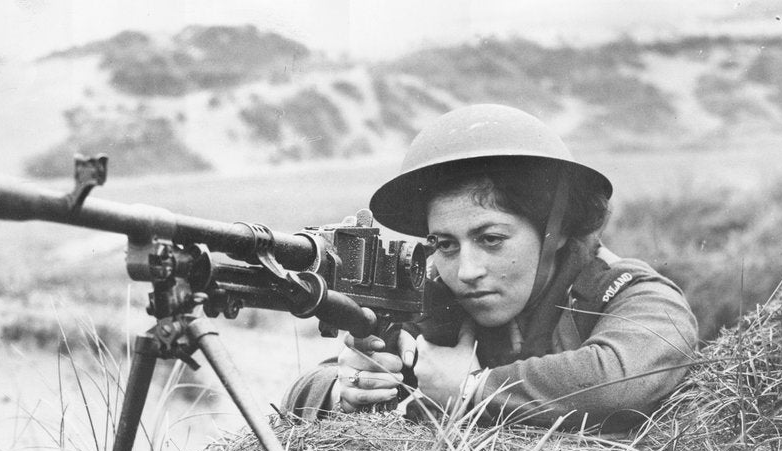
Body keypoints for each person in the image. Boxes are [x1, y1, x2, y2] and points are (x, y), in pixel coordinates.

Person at [282, 104, 698, 431]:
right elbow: (301, 392)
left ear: (556, 231)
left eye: (491, 239)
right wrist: (346, 390)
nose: (466, 271)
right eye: (444, 244)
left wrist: (468, 391)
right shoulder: (437, 299)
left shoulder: (632, 293)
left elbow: (618, 382)